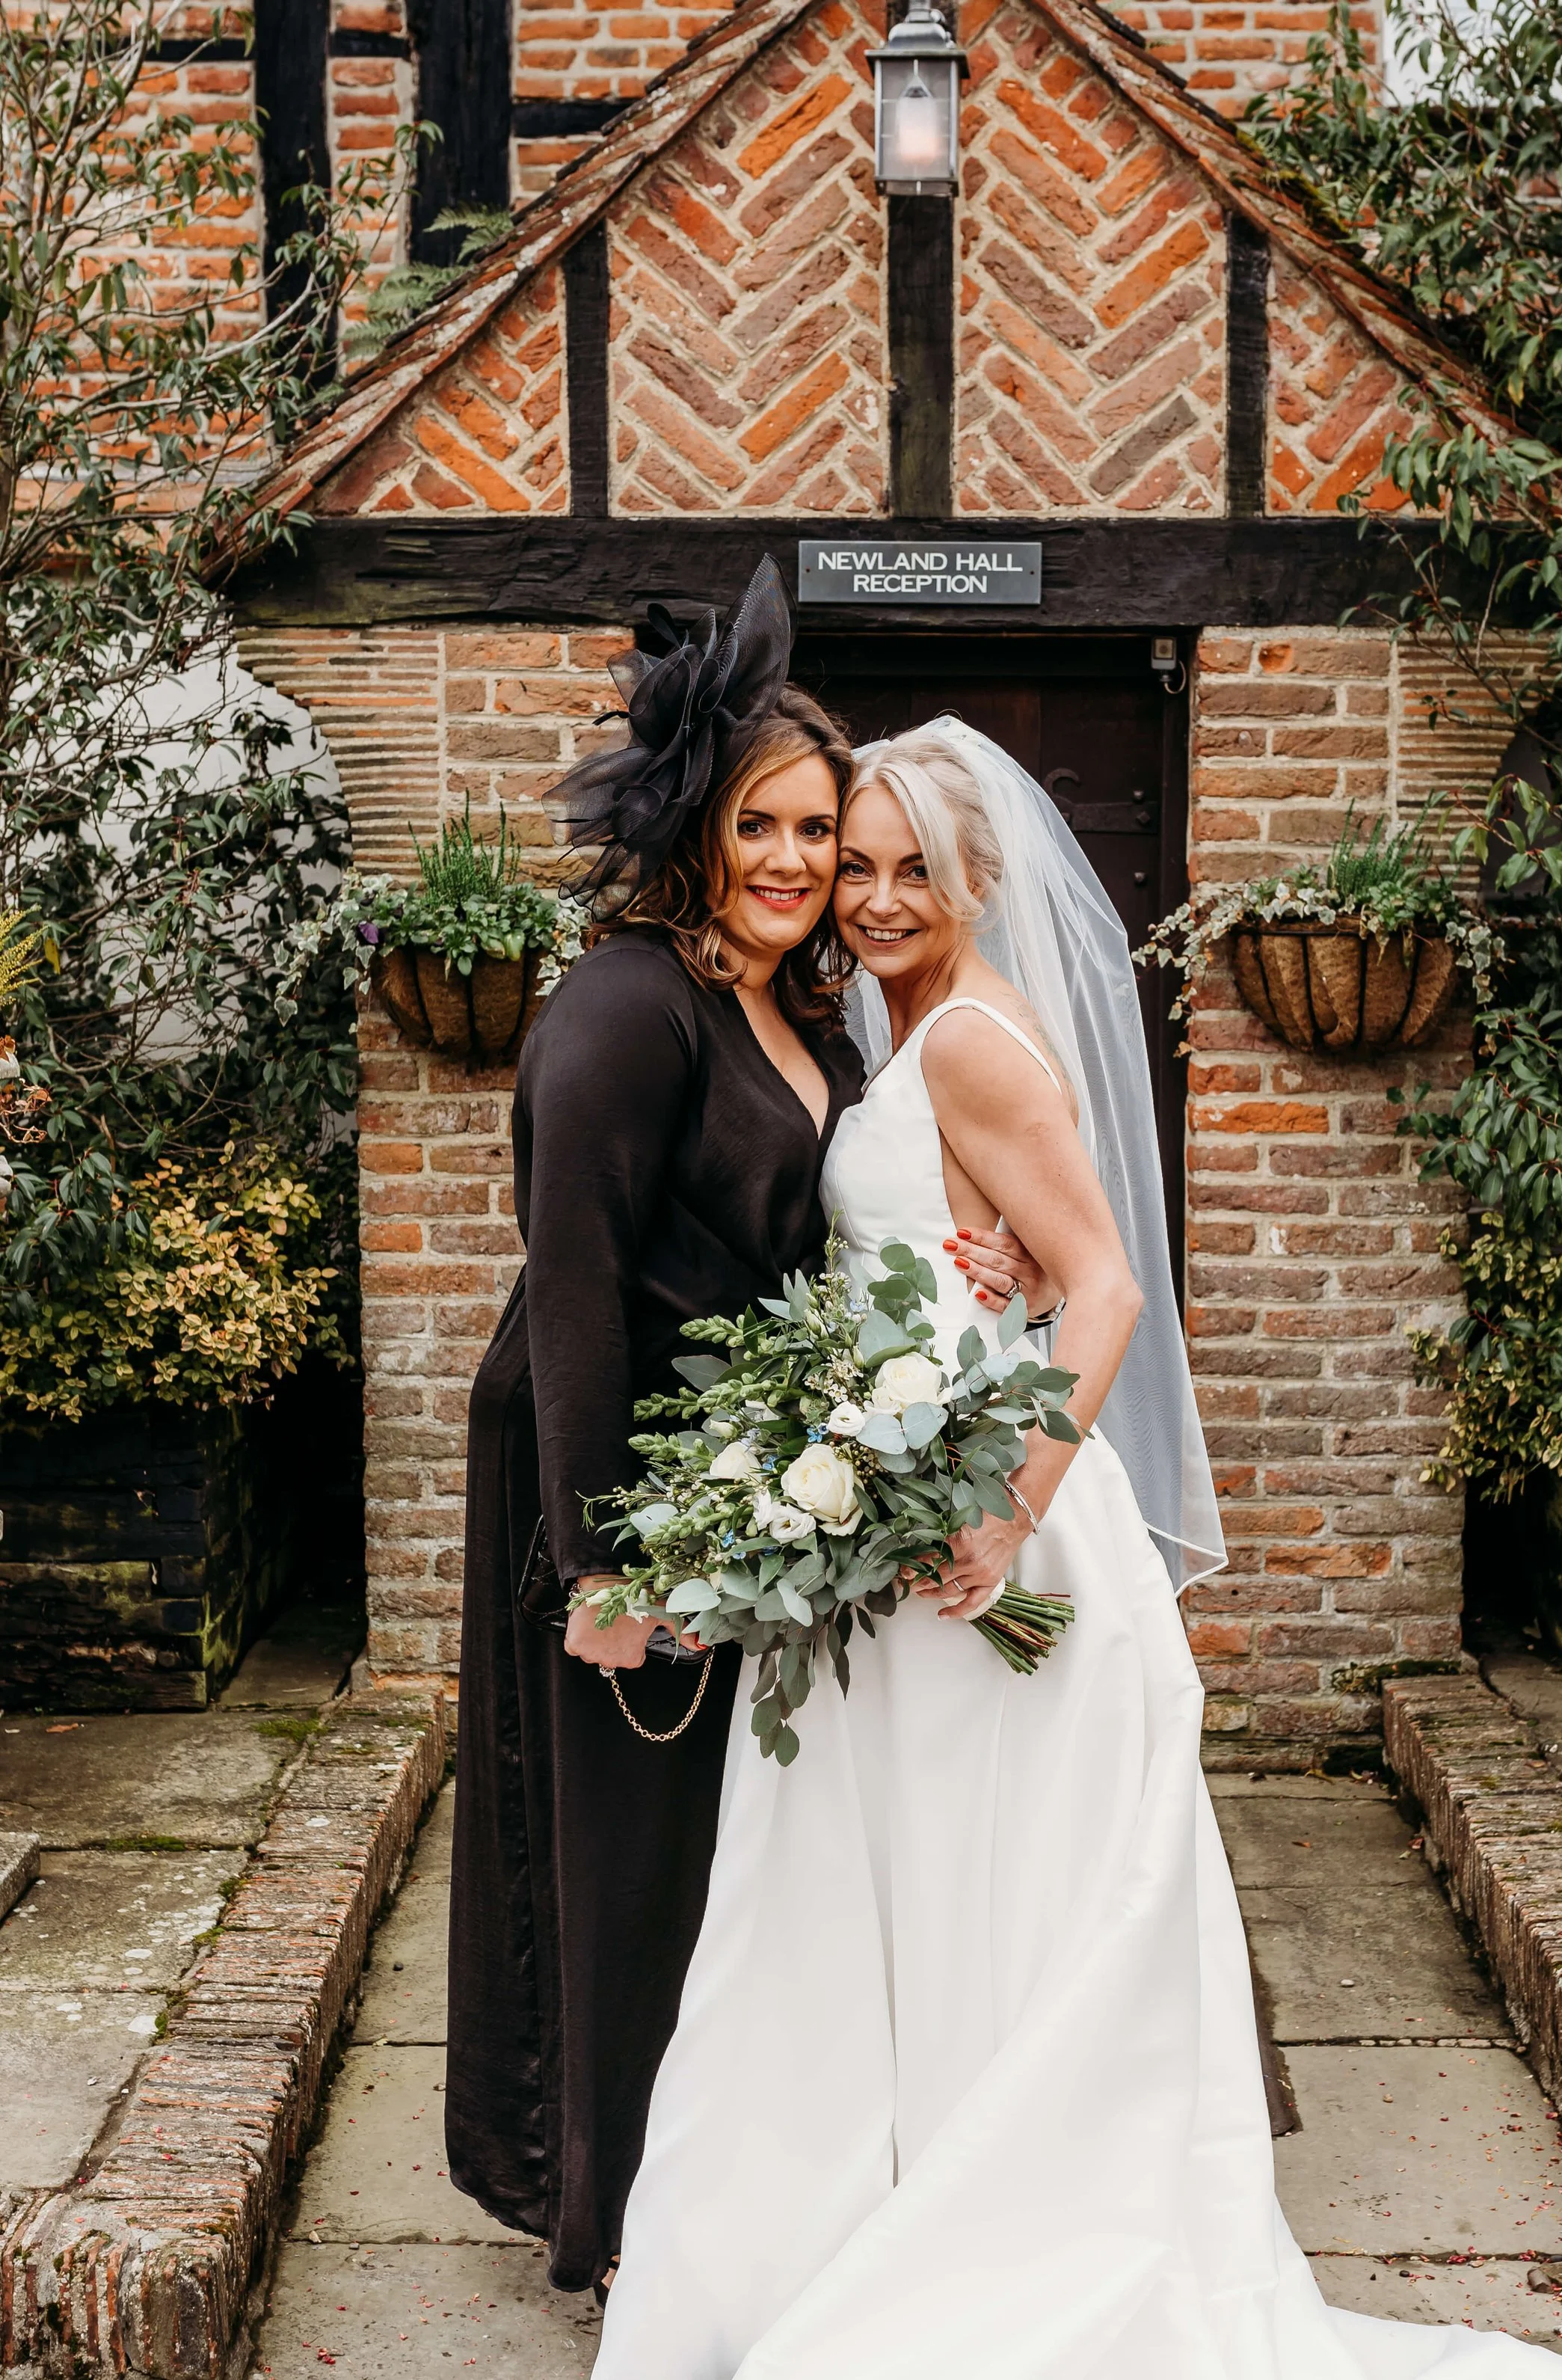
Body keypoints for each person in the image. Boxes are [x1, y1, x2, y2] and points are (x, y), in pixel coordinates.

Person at [591, 717, 1562, 2377]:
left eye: (916, 867)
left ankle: (987, 2249)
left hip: (996, 1552)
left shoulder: (968, 1039)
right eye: (858, 864)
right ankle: (888, 2211)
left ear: (979, 875)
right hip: (907, 1513)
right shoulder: (878, 1023)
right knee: (913, 1884)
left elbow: (1106, 1279)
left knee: (1008, 1895)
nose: (879, 895)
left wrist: (1005, 1505)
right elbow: (1001, 1260)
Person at [448, 567, 1046, 2299]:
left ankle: (712, 2187)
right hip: (609, 1470)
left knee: (718, 1858)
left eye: (818, 832)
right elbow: (569, 1291)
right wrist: (598, 1561)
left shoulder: (788, 1014)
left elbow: (823, 1228)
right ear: (692, 833)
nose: (798, 864)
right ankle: (612, 2214)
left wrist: (969, 1242)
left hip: (741, 1475)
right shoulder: (623, 1008)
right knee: (621, 1862)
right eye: (764, 827)